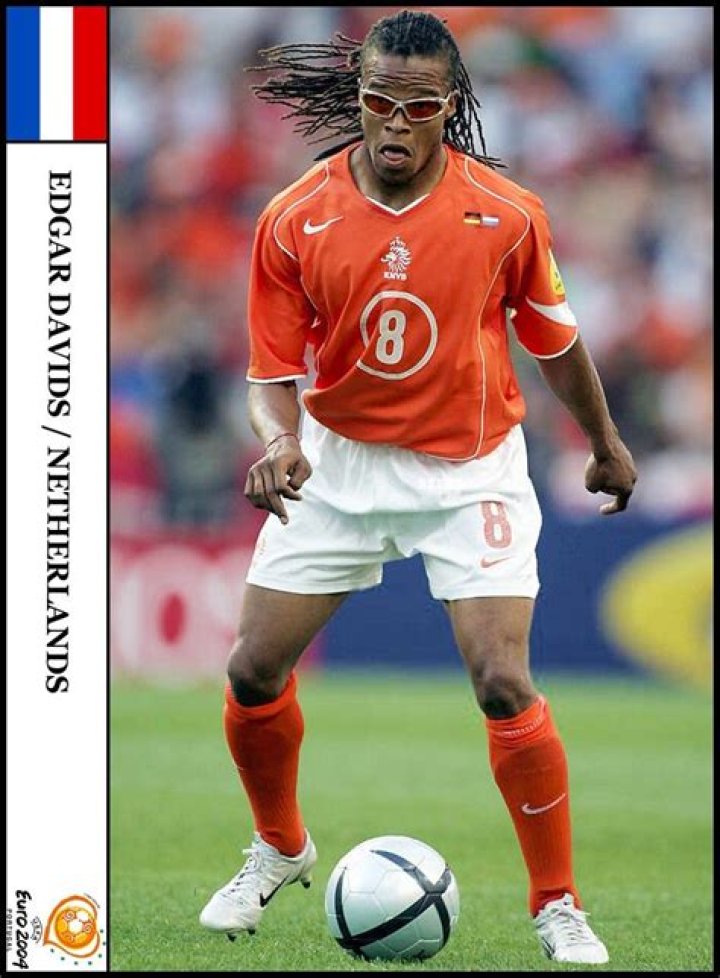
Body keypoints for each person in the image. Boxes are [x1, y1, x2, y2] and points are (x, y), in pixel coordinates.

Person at [199, 9, 637, 965]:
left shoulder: (506, 214)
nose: (397, 123)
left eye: (421, 106)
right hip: (338, 463)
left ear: (452, 106)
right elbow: (270, 375)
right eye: (380, 101)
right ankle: (279, 846)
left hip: (468, 469)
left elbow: (554, 340)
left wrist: (604, 442)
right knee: (251, 672)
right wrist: (280, 441)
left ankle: (557, 903)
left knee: (503, 681)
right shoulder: (294, 217)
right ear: (357, 98)